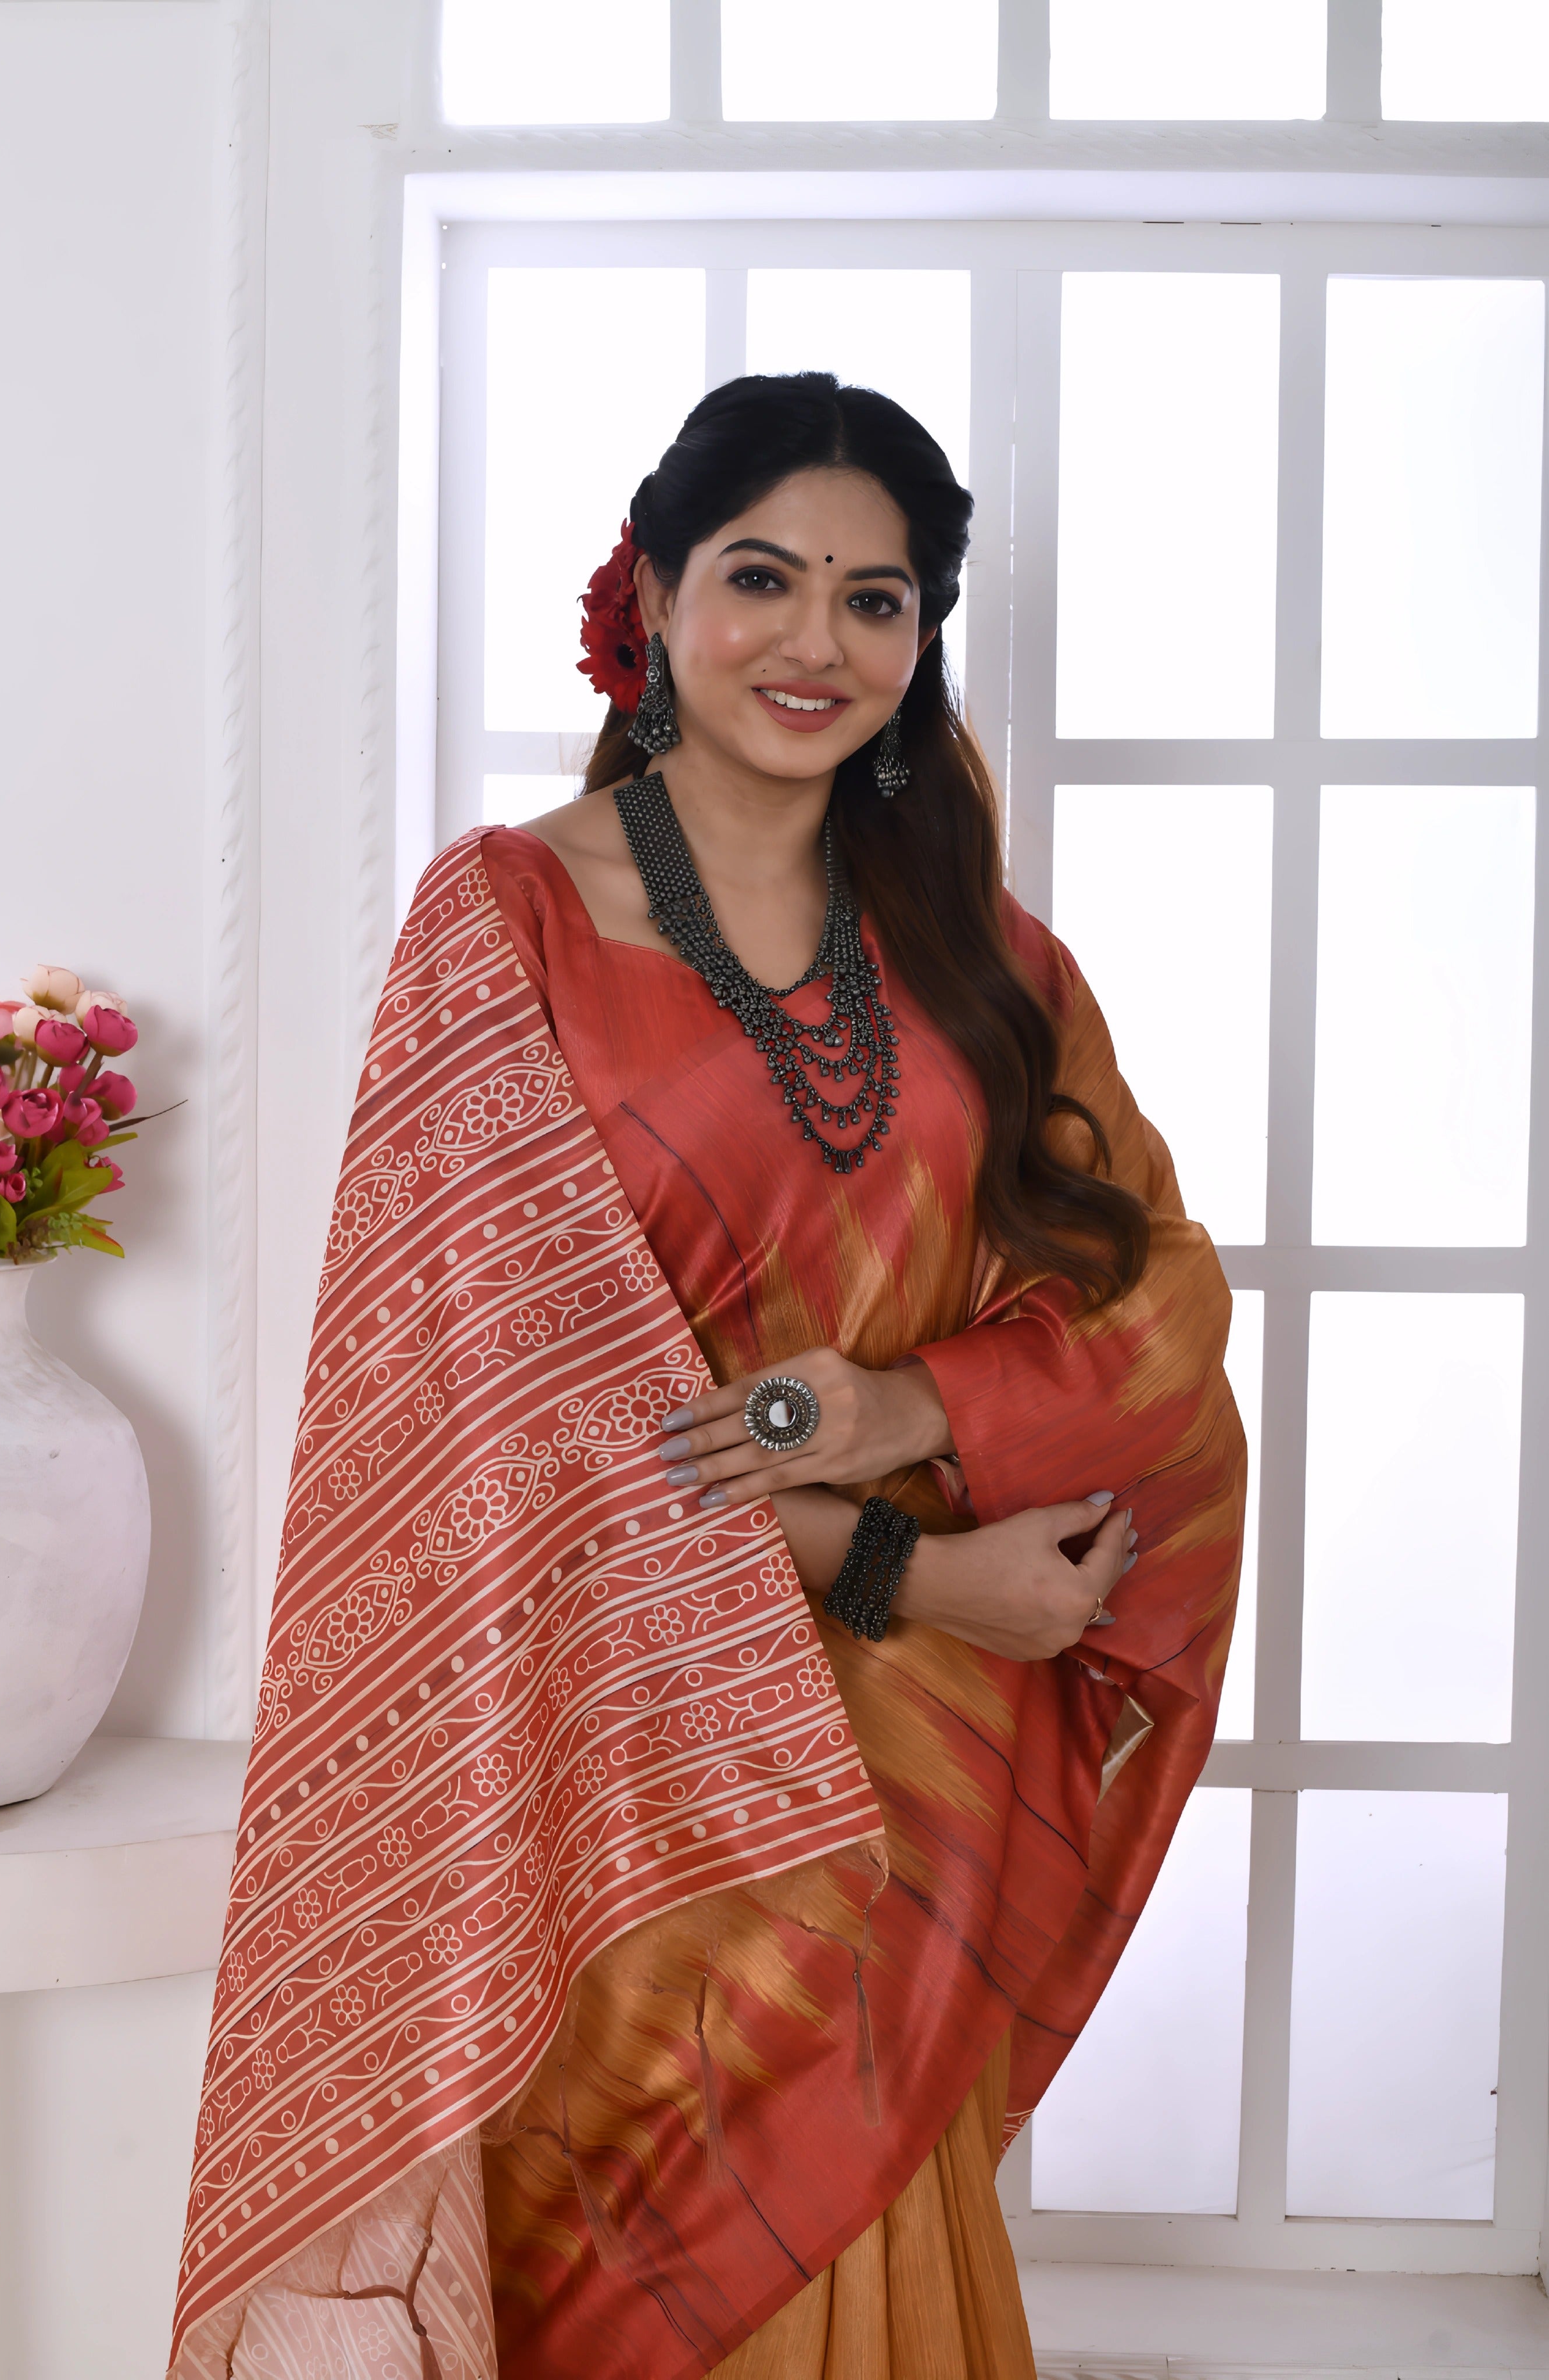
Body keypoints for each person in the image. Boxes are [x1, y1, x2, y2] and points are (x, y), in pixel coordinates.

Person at [171, 374, 1243, 2380]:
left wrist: (910, 1412)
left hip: (905, 1778)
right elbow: (497, 1426)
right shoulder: (500, 927)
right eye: (761, 578)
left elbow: (1151, 1299)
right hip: (621, 1780)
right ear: (651, 595)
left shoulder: (991, 964)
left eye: (877, 600)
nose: (812, 642)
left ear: (921, 646)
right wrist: (911, 1570)